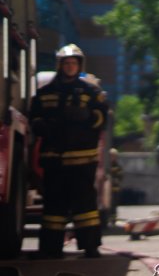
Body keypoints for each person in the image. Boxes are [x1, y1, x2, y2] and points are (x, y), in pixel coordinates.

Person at [29, 44, 109, 258]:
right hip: (54, 159)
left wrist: (88, 117)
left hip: (83, 160)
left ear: (79, 65)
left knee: (86, 206)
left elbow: (103, 120)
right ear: (60, 65)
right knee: (53, 206)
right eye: (66, 63)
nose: (70, 66)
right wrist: (39, 125)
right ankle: (50, 248)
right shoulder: (45, 93)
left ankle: (90, 246)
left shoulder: (91, 92)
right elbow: (34, 116)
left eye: (74, 63)